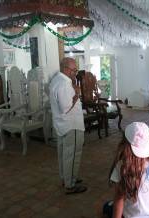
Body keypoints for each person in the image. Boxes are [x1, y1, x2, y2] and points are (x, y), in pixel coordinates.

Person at [108, 122, 149, 218]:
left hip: (135, 216)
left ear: (124, 144)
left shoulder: (122, 166)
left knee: (106, 207)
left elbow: (119, 200)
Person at [49, 57, 87, 194]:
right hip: (72, 125)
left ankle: (66, 178)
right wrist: (77, 94)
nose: (75, 72)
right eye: (74, 70)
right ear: (65, 68)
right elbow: (65, 107)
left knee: (64, 154)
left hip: (62, 125)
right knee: (73, 154)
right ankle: (70, 184)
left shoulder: (56, 80)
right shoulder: (64, 84)